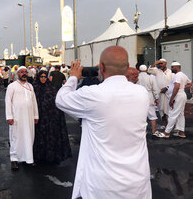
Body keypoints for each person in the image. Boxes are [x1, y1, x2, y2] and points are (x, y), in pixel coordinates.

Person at [56, 46, 151, 199]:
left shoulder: (93, 94)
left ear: (101, 67)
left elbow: (61, 100)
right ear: (127, 67)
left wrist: (73, 77)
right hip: (138, 182)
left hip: (102, 184)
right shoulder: (142, 94)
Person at [33, 70, 72, 164]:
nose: (43, 78)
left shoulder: (51, 87)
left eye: (44, 77)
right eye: (41, 77)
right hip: (39, 117)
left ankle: (51, 157)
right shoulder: (35, 88)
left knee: (50, 137)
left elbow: (56, 102)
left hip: (50, 117)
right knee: (40, 138)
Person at [5, 66, 39, 171]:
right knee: (16, 138)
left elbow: (34, 102)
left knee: (29, 137)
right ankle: (14, 160)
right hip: (17, 117)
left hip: (29, 117)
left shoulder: (30, 86)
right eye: (22, 72)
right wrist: (9, 116)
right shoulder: (12, 86)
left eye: (25, 72)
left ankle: (28, 159)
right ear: (17, 74)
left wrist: (35, 115)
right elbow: (8, 102)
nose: (24, 74)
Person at [158, 62, 192, 138]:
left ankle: (166, 133)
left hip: (178, 96)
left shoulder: (178, 75)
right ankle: (181, 132)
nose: (171, 68)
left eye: (172, 67)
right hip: (181, 95)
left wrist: (172, 98)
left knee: (173, 114)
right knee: (180, 114)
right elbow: (190, 83)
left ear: (177, 67)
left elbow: (176, 86)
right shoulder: (182, 74)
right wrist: (182, 87)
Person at [149, 59, 174, 128]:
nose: (160, 65)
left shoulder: (170, 72)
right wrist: (155, 63)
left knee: (169, 111)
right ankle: (165, 125)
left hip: (168, 94)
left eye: (161, 63)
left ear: (165, 63)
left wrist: (167, 88)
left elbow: (174, 82)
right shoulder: (157, 71)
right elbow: (149, 70)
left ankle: (170, 126)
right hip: (160, 94)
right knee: (161, 111)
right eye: (159, 64)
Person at [138, 65, 160, 136]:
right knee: (152, 116)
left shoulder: (137, 77)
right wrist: (156, 98)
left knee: (141, 116)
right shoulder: (150, 77)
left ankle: (143, 131)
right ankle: (153, 131)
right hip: (149, 97)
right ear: (146, 69)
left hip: (139, 97)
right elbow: (155, 89)